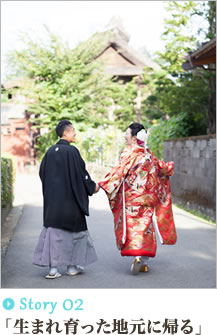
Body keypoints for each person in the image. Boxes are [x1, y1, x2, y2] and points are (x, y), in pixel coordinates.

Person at [98, 122, 177, 275]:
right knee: (146, 228)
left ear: (134, 137)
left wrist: (102, 184)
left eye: (127, 134)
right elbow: (163, 169)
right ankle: (144, 261)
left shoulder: (129, 153)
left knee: (133, 228)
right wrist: (169, 168)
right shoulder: (149, 155)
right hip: (148, 199)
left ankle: (137, 256)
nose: (124, 136)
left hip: (131, 200)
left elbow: (118, 172)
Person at [33, 120, 100, 279]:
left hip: (53, 203)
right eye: (73, 131)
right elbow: (81, 174)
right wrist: (92, 187)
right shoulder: (72, 152)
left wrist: (53, 190)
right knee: (75, 234)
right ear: (66, 133)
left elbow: (42, 174)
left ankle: (53, 270)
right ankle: (71, 267)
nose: (75, 133)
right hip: (71, 202)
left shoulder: (49, 152)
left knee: (54, 235)